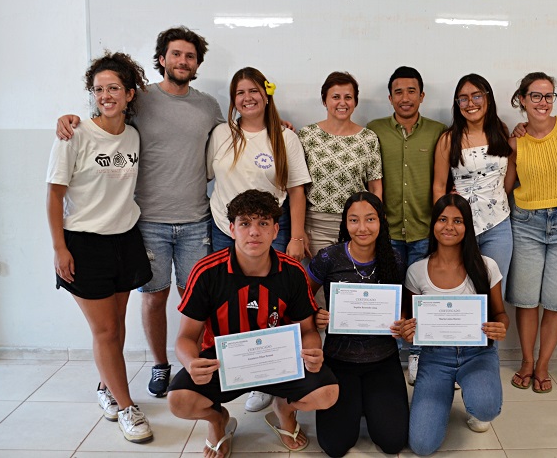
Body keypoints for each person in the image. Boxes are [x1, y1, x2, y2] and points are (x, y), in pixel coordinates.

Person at [57, 26, 225, 398]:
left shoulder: (208, 106)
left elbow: (236, 136)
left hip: (197, 220)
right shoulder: (141, 100)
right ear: (162, 59)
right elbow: (101, 120)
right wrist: (67, 118)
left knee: (198, 298)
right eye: (176, 54)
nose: (183, 61)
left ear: (197, 63)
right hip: (146, 222)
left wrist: (281, 125)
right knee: (154, 296)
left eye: (190, 56)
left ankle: (194, 366)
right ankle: (160, 366)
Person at [167, 190, 339, 456]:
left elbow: (307, 330)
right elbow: (185, 338)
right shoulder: (207, 271)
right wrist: (191, 363)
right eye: (245, 223)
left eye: (263, 223)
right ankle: (218, 421)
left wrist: (313, 352)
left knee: (327, 393)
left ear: (275, 230)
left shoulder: (292, 272)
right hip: (223, 363)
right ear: (232, 229)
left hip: (278, 361)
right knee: (179, 401)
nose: (254, 232)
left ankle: (284, 408)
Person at [46, 51, 153, 443]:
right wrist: (60, 248)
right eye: (98, 89)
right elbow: (54, 195)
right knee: (105, 330)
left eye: (113, 88)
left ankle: (106, 387)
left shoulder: (134, 134)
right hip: (84, 243)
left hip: (125, 239)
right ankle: (127, 407)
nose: (105, 95)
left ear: (129, 94)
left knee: (115, 328)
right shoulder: (73, 134)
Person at [207, 67, 312, 413]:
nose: (247, 98)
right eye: (240, 93)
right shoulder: (221, 133)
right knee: (229, 305)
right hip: (225, 231)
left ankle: (271, 377)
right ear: (233, 100)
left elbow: (296, 189)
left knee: (272, 305)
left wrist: (296, 236)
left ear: (266, 94)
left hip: (273, 232)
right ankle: (237, 372)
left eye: (254, 91)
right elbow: (209, 177)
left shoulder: (285, 137)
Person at [398, 194, 509, 456]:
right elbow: (410, 325)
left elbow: (501, 314)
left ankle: (475, 404)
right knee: (422, 446)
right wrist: (408, 333)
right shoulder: (416, 271)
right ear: (433, 225)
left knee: (486, 407)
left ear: (468, 226)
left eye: (458, 221)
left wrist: (500, 327)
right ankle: (439, 400)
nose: (449, 226)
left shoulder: (486, 266)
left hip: (477, 354)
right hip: (436, 357)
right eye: (443, 219)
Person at [503, 72, 557, 393]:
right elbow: (505, 188)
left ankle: (542, 364)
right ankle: (526, 361)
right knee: (526, 300)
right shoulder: (515, 142)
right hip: (526, 223)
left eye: (549, 96)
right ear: (522, 99)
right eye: (536, 96)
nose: (543, 102)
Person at [306, 192, 408, 457]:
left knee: (393, 442)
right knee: (335, 446)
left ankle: (369, 401)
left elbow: (404, 309)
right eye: (354, 220)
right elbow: (301, 296)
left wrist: (403, 323)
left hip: (383, 359)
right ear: (345, 223)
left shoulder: (394, 259)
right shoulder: (328, 258)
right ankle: (360, 402)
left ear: (381, 221)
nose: (362, 228)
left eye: (370, 219)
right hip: (339, 360)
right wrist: (315, 312)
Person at [367, 66, 446, 385]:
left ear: (422, 96)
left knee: (421, 296)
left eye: (411, 91)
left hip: (424, 230)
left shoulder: (439, 130)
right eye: (398, 91)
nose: (405, 97)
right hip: (386, 231)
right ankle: (391, 352)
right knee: (390, 293)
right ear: (389, 98)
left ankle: (416, 352)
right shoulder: (373, 129)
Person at [432, 74, 513, 294]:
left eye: (476, 96)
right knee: (461, 290)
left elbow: (506, 178)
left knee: (496, 291)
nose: (470, 103)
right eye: (463, 98)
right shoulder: (449, 139)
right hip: (460, 225)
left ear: (488, 97)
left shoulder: (501, 131)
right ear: (457, 104)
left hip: (498, 225)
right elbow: (439, 186)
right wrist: (446, 221)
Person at [299, 71, 383, 261]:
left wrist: (374, 223)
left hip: (357, 228)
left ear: (355, 101)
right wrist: (298, 231)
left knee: (352, 286)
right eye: (335, 97)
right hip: (316, 227)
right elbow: (298, 188)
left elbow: (375, 187)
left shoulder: (368, 138)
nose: (342, 103)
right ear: (324, 100)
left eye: (348, 97)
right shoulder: (307, 135)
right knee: (317, 287)